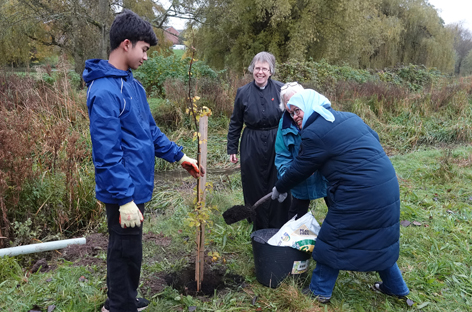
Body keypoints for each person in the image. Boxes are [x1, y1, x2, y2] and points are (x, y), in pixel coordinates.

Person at [83, 10, 205, 312]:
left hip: (136, 186)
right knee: (124, 249)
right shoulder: (104, 91)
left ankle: (125, 296)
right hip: (122, 190)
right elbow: (107, 154)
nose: (146, 57)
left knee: (130, 248)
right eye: (145, 49)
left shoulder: (132, 86)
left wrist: (180, 156)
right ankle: (117, 305)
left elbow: (149, 131)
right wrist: (124, 199)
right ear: (126, 44)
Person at [271, 89, 409, 303]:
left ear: (311, 106)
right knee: (378, 236)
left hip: (360, 192)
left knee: (332, 237)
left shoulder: (315, 131)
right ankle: (395, 286)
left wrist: (280, 187)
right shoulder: (348, 117)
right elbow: (374, 137)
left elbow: (300, 168)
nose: (295, 116)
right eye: (291, 113)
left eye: (298, 110)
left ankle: (319, 291)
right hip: (385, 184)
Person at [227, 51, 291, 231]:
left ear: (271, 71)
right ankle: (258, 225)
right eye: (257, 68)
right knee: (253, 183)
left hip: (276, 142)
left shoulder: (282, 90)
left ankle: (280, 224)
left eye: (264, 68)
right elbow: (235, 121)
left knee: (279, 180)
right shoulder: (243, 92)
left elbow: (291, 117)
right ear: (252, 70)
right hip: (251, 143)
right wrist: (232, 147)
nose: (260, 72)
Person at [275, 82, 327, 220]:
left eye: (296, 99)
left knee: (338, 213)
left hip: (326, 178)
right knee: (295, 219)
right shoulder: (283, 125)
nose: (292, 104)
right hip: (300, 180)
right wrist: (286, 180)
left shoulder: (320, 117)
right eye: (288, 102)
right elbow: (282, 155)